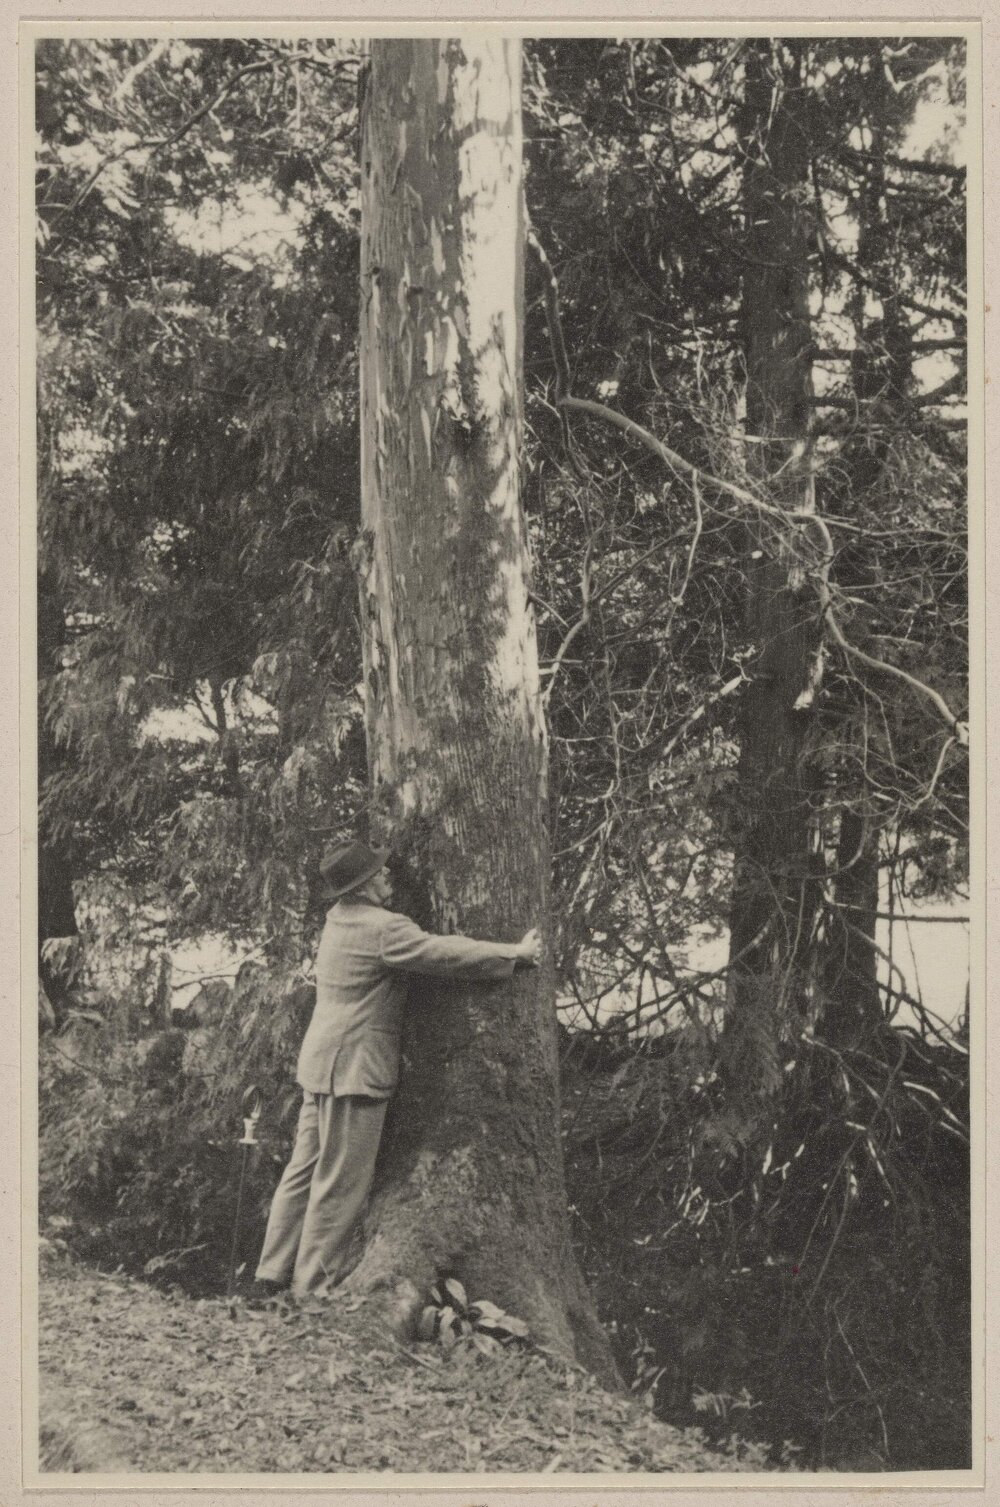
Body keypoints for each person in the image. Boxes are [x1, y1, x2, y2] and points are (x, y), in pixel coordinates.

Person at [244, 839, 541, 1303]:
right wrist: (513, 954)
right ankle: (311, 1289)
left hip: (320, 1062)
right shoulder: (383, 929)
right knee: (339, 1184)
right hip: (355, 1068)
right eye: (380, 875)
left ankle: (270, 1276)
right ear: (362, 888)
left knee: (302, 1172)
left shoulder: (337, 920)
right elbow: (443, 952)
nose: (389, 878)